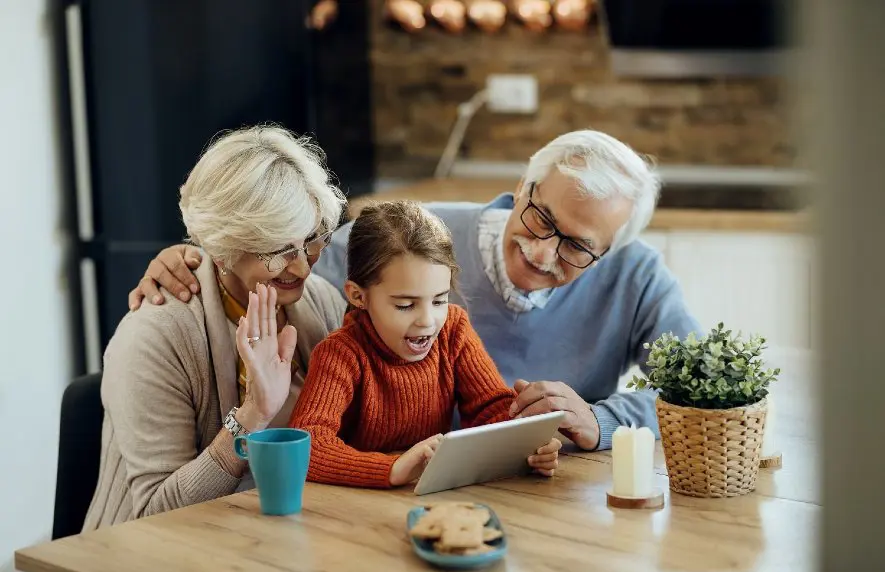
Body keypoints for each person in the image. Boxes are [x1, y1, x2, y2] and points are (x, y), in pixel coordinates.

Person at [129, 129, 701, 452]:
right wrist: (194, 257)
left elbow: (705, 399)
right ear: (523, 184)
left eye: (577, 247)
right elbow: (277, 258)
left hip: (540, 490)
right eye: (539, 217)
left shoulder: (637, 277)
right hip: (397, 493)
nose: (543, 252)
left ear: (611, 249)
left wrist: (600, 422)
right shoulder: (415, 233)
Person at [83, 125, 347, 530]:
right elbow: (155, 515)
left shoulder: (321, 301)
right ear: (223, 250)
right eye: (278, 250)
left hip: (275, 537)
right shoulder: (155, 337)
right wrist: (253, 414)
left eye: (312, 239)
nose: (301, 266)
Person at [285, 201, 561, 488]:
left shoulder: (453, 330)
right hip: (357, 506)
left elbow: (490, 409)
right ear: (358, 296)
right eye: (405, 305)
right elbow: (306, 446)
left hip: (432, 495)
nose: (428, 321)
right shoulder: (340, 354)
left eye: (440, 300)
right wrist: (392, 468)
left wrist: (526, 441)